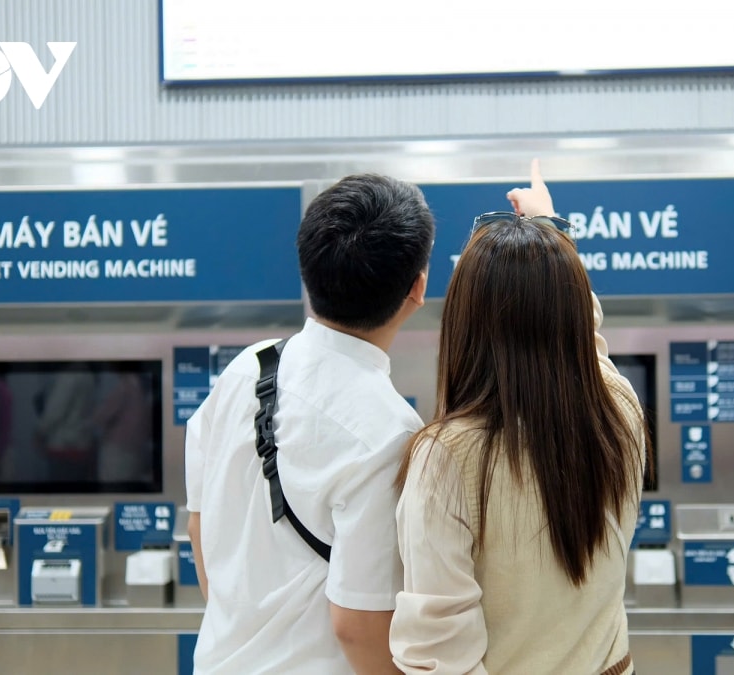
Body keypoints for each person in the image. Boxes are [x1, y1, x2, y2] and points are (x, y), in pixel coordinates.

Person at [390, 160, 648, 674]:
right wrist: (553, 235)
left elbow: (440, 653)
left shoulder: (447, 455)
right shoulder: (619, 411)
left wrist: (549, 238)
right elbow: (584, 339)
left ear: (464, 322)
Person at [185, 173, 435, 674]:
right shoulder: (389, 433)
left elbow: (199, 527)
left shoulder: (247, 369)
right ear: (417, 288)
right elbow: (358, 626)